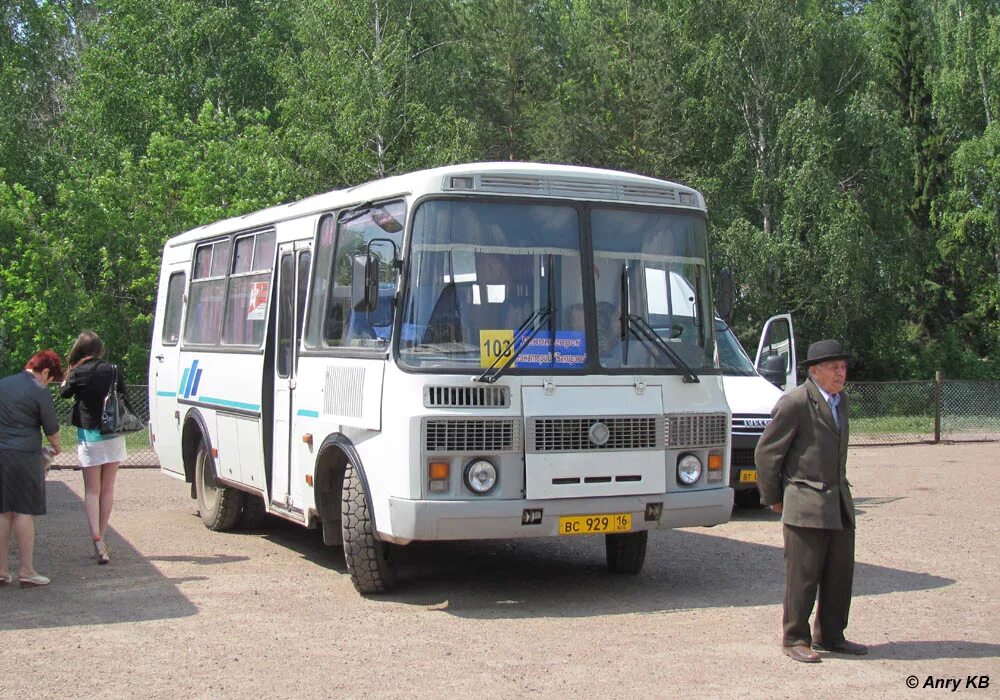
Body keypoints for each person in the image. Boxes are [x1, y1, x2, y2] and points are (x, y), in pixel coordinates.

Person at [755, 339, 867, 663]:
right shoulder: (795, 403)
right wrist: (775, 497)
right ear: (814, 371)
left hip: (838, 502)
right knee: (803, 577)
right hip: (805, 504)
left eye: (843, 367)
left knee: (839, 574)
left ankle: (831, 635)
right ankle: (794, 638)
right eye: (833, 367)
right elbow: (767, 453)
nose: (840, 373)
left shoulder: (840, 401)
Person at [59, 331, 127, 564]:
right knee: (108, 488)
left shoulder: (78, 372)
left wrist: (70, 372)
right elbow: (123, 395)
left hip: (90, 435)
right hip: (114, 433)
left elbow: (64, 393)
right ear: (100, 349)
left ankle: (96, 539)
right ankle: (104, 535)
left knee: (92, 490)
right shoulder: (113, 369)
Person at [0, 350, 64, 588]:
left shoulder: (3, 384)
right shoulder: (39, 390)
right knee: (23, 512)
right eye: (51, 379)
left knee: (3, 511)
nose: (49, 383)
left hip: (1, 454)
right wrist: (57, 448)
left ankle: (1, 570)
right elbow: (52, 429)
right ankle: (26, 570)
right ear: (45, 372)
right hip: (25, 455)